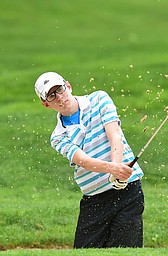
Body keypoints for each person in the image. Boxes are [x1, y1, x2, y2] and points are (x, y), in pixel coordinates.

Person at [34, 71, 144, 248]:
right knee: (84, 250)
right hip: (95, 200)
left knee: (125, 249)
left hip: (128, 192)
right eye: (52, 96)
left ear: (68, 86)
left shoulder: (99, 99)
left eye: (60, 90)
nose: (60, 98)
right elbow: (83, 160)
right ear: (46, 104)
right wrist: (113, 170)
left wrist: (117, 170)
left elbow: (114, 135)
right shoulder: (58, 137)